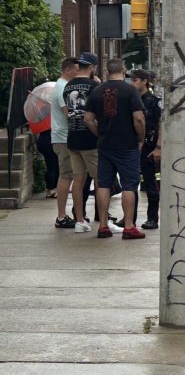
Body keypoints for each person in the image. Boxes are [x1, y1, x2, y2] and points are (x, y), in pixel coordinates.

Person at [83, 58, 146, 239]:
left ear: (107, 72)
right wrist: (140, 138)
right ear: (124, 70)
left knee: (103, 184)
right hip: (127, 145)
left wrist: (99, 133)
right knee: (129, 184)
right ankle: (128, 226)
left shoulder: (97, 91)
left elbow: (88, 119)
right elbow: (139, 118)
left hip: (105, 145)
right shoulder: (130, 91)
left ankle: (103, 226)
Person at [64, 52, 103, 233]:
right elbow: (98, 114)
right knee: (99, 179)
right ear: (92, 67)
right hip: (90, 137)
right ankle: (103, 219)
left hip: (73, 136)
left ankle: (79, 220)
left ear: (78, 66)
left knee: (78, 179)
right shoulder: (95, 86)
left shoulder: (67, 86)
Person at [130, 69, 161, 230]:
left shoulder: (153, 101)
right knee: (131, 183)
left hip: (149, 145)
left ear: (144, 81)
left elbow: (162, 124)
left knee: (150, 183)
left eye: (135, 80)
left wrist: (158, 147)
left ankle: (152, 218)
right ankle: (129, 218)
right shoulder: (131, 99)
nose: (132, 83)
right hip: (132, 145)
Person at [51, 58, 79, 227]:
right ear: (68, 70)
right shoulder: (62, 88)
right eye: (76, 70)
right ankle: (61, 217)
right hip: (63, 137)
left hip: (63, 136)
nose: (78, 73)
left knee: (70, 175)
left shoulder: (62, 85)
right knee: (66, 176)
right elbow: (67, 113)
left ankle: (66, 215)